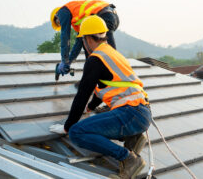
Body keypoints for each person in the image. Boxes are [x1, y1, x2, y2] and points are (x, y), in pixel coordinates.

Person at [49, 15, 151, 179]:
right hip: (142, 113)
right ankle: (133, 137)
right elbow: (107, 85)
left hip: (130, 113)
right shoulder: (110, 52)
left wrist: (67, 126)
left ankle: (128, 158)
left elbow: (82, 95)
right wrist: (91, 107)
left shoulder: (95, 59)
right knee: (96, 120)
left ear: (88, 39)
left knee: (77, 132)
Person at [50, 0, 120, 76]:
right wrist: (68, 62)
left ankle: (113, 71)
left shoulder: (62, 11)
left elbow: (65, 37)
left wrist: (64, 60)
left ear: (56, 16)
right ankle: (90, 76)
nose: (61, 24)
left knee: (110, 51)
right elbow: (78, 44)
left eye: (58, 22)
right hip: (113, 15)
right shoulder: (80, 20)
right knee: (87, 43)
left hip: (104, 15)